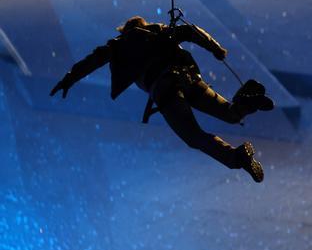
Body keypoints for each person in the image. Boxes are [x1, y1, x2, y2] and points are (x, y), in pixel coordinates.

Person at [49, 16, 273, 183]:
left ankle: (237, 157)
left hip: (165, 89)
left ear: (125, 30)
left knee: (194, 136)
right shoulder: (160, 32)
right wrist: (216, 49)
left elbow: (92, 61)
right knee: (231, 114)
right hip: (189, 79)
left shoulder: (118, 45)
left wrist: (69, 79)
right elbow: (190, 31)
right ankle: (246, 101)